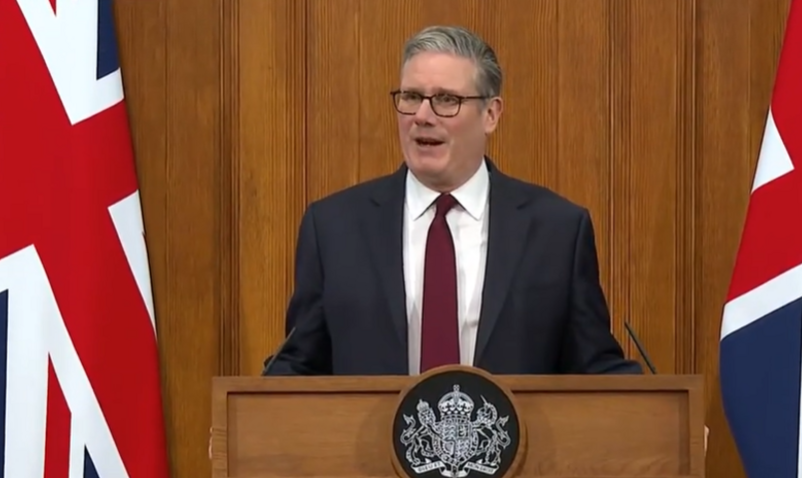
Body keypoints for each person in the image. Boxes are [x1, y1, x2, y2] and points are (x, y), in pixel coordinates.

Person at [262, 25, 643, 377]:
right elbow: (298, 365)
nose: (422, 116)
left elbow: (595, 368)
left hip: (520, 433)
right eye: (411, 97)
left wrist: (660, 411)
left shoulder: (557, 230)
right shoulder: (334, 227)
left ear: (491, 114)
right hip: (369, 434)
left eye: (446, 100)